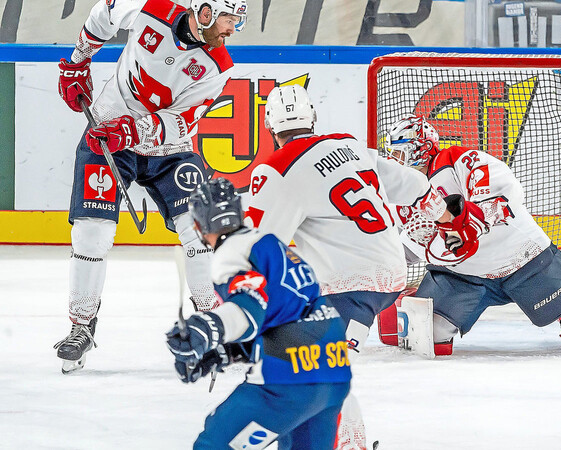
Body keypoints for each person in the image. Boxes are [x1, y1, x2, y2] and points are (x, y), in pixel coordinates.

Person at [53, 0, 247, 373]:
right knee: (91, 233)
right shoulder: (151, 8)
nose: (231, 29)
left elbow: (183, 121)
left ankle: (213, 323)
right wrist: (79, 60)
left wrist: (133, 130)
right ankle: (81, 326)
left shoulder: (219, 67)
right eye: (227, 19)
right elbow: (103, 14)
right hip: (106, 135)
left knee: (201, 230)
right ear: (203, 11)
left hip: (168, 151)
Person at [243, 85, 477, 354]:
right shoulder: (350, 144)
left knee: (295, 363)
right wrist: (448, 220)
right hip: (393, 275)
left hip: (347, 287)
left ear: (269, 127)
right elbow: (415, 184)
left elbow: (257, 249)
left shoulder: (274, 169)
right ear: (313, 117)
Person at [377, 115, 561, 356]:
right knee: (428, 335)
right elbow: (403, 246)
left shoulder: (456, 160)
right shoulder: (400, 197)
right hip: (461, 277)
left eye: (400, 152)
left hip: (523, 260)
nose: (394, 160)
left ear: (421, 147)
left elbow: (504, 193)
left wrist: (471, 223)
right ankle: (406, 304)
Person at [166, 177, 351, 449]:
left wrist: (205, 328)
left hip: (287, 384)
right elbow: (285, 315)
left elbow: (250, 307)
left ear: (199, 225)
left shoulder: (230, 253)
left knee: (213, 444)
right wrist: (227, 352)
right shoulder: (271, 244)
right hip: (334, 373)